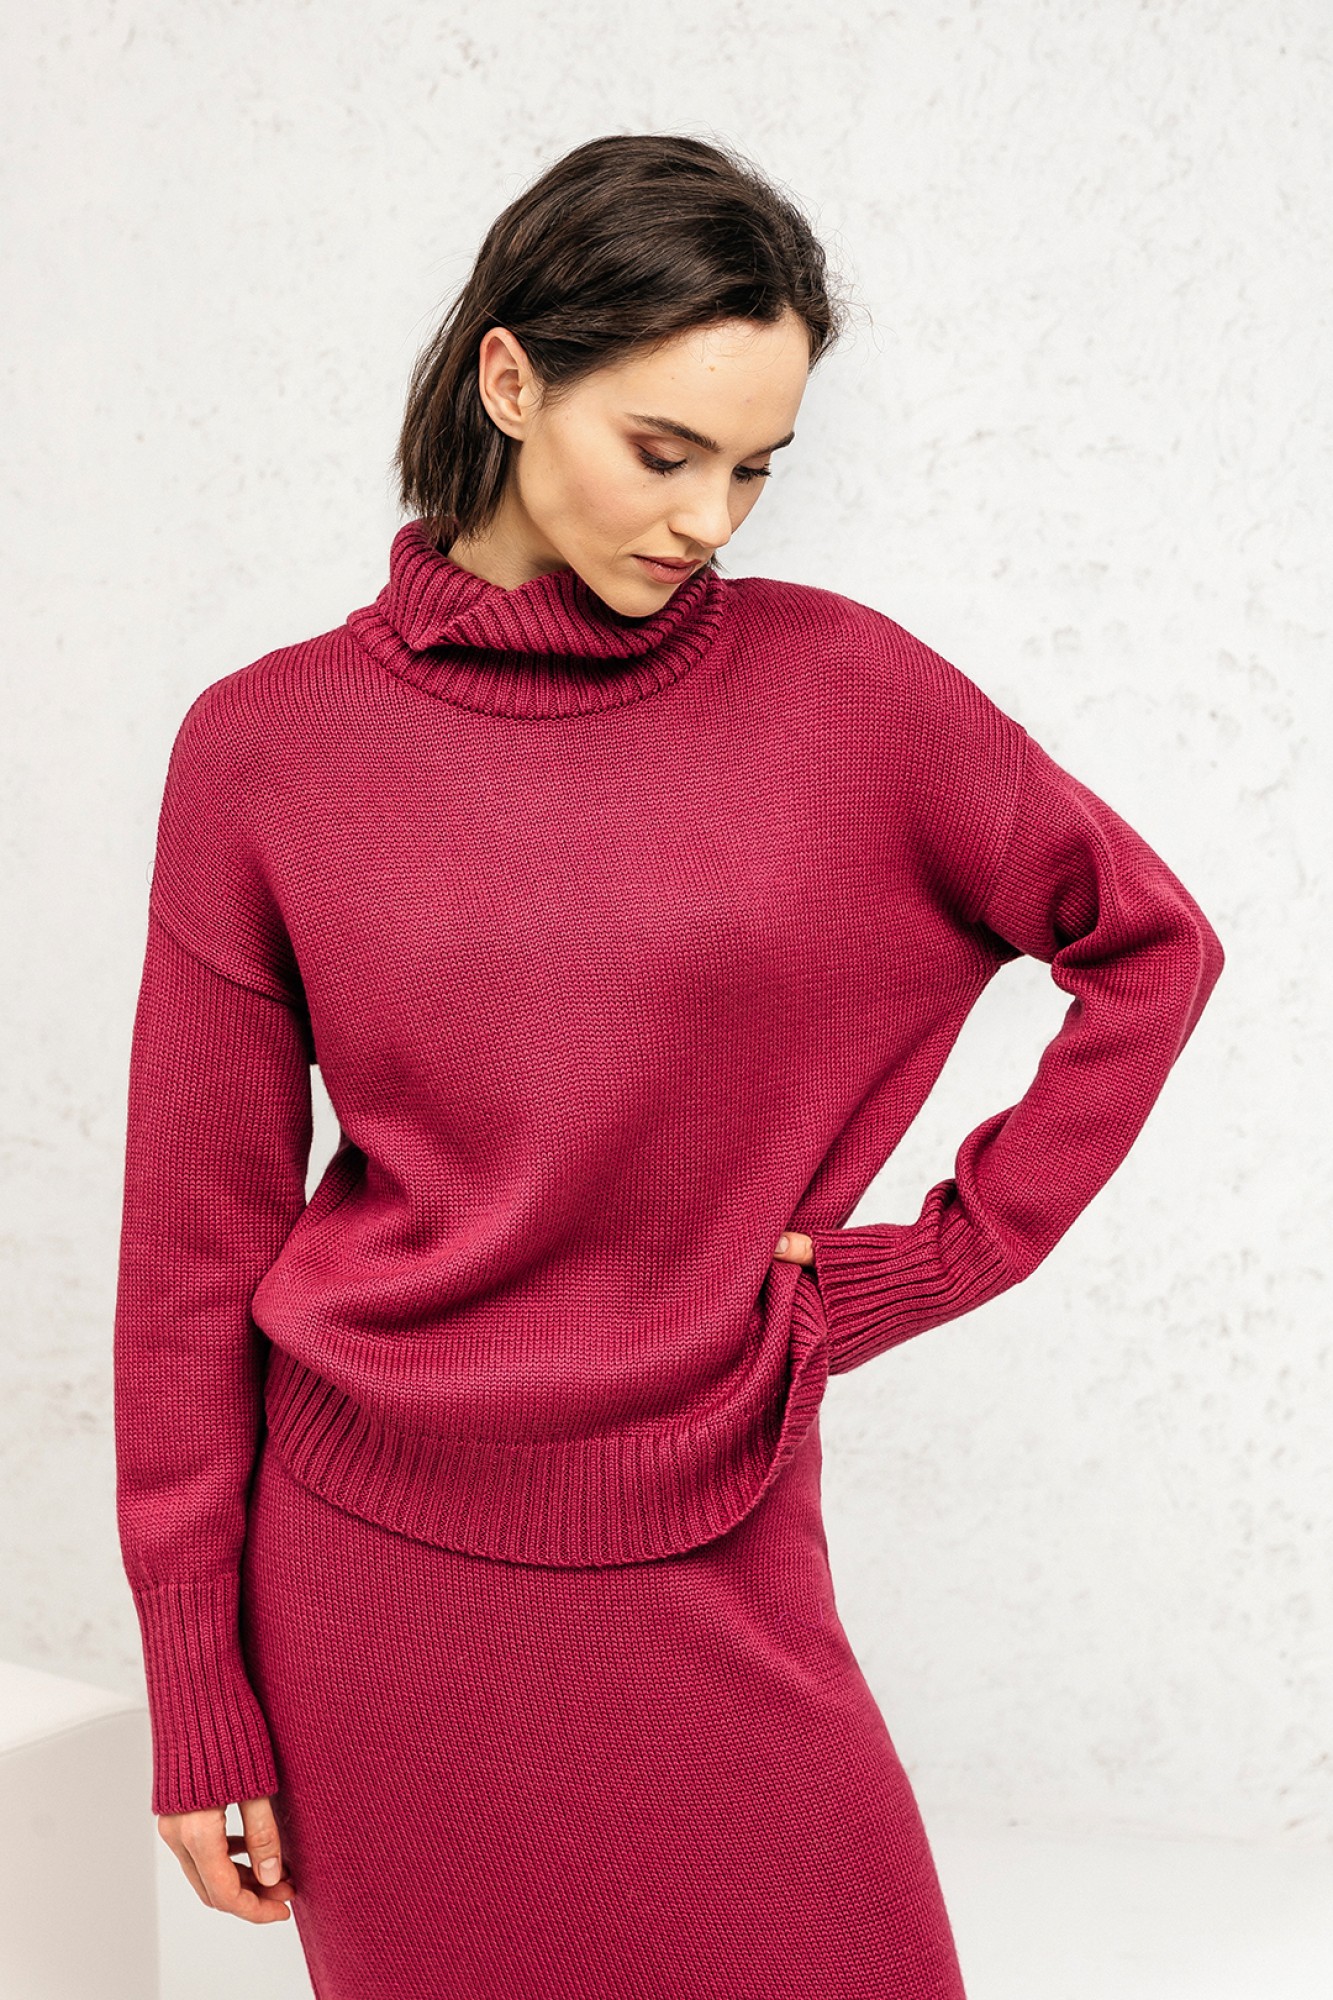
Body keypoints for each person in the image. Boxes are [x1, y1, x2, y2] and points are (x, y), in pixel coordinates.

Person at [112, 132, 1225, 1999]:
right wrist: (194, 1685)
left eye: (755, 466)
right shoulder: (264, 749)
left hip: (708, 1515)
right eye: (664, 451)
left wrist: (933, 1259)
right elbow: (189, 1256)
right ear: (509, 379)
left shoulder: (847, 694)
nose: (710, 517)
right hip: (367, 1579)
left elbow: (1147, 947)